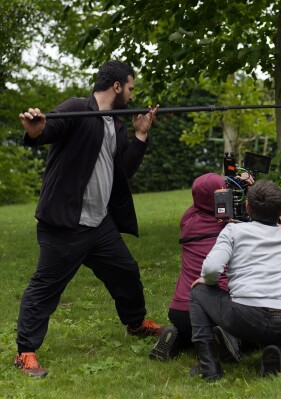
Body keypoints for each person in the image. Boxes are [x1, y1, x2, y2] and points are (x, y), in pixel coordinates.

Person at [15, 60, 162, 378]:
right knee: (45, 288)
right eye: (131, 89)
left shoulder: (115, 124)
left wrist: (139, 136)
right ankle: (25, 351)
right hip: (64, 224)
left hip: (99, 224)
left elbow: (122, 170)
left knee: (126, 273)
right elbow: (46, 130)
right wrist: (34, 127)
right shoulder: (77, 108)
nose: (133, 97)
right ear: (117, 86)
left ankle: (135, 325)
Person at [188, 180, 281, 380]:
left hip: (244, 317)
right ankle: (279, 354)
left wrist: (207, 282)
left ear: (247, 207)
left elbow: (211, 268)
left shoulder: (233, 231)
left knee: (197, 292)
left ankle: (208, 366)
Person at [149, 173, 240, 362]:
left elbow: (202, 199)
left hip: (180, 311)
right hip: (215, 310)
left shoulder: (187, 220)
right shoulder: (233, 229)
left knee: (193, 329)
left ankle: (178, 338)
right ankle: (227, 340)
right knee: (251, 331)